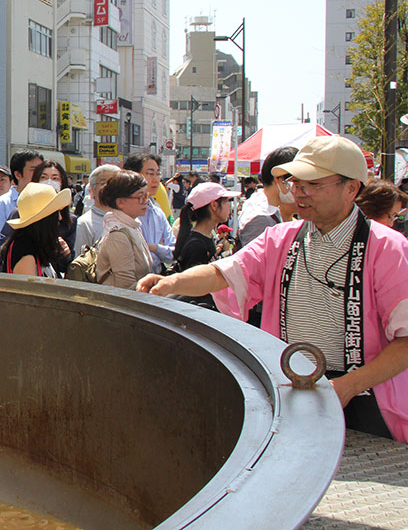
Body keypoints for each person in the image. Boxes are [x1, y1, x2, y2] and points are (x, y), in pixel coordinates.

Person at [138, 136, 408, 442]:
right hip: (293, 386)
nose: (300, 194)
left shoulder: (389, 249)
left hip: (365, 397)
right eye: (296, 183)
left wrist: (348, 386)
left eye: (313, 185)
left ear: (351, 188)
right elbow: (222, 273)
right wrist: (171, 282)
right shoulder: (280, 238)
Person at [170, 182, 240, 307]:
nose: (230, 206)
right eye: (226, 201)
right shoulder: (197, 245)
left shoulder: (207, 236)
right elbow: (193, 291)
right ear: (214, 205)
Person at [0, 182, 72, 277]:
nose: (60, 218)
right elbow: (29, 290)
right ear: (45, 219)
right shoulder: (24, 251)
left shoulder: (37, 245)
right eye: (56, 212)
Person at [95, 170, 152, 290]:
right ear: (120, 202)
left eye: (147, 195)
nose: (146, 201)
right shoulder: (118, 235)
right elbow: (126, 287)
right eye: (141, 197)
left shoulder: (132, 225)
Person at [237, 147, 299, 249]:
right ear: (279, 179)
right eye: (296, 182)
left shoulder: (268, 207)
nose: (300, 190)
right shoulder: (260, 218)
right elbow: (254, 262)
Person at [124, 152, 176, 273]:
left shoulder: (157, 212)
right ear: (133, 175)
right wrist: (161, 250)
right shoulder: (124, 212)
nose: (156, 179)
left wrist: (155, 248)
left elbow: (174, 253)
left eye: (158, 174)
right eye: (151, 174)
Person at [0, 151, 44, 246]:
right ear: (18, 175)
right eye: (34, 170)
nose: (40, 174)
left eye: (42, 169)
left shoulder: (47, 201)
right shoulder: (2, 204)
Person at [73, 164, 119, 255]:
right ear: (92, 190)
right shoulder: (84, 223)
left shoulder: (129, 219)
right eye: (103, 183)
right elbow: (80, 263)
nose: (109, 188)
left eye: (114, 183)